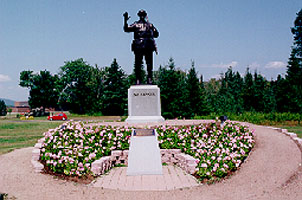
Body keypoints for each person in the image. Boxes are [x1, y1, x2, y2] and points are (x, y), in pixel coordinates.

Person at [123, 9, 159, 84]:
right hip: (138, 46)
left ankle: (149, 78)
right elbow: (126, 29)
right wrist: (125, 20)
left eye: (143, 15)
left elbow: (156, 34)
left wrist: (152, 29)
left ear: (145, 16)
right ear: (139, 16)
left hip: (148, 46)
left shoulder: (150, 25)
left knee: (149, 64)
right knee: (138, 64)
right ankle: (138, 79)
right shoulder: (135, 24)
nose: (142, 16)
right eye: (141, 15)